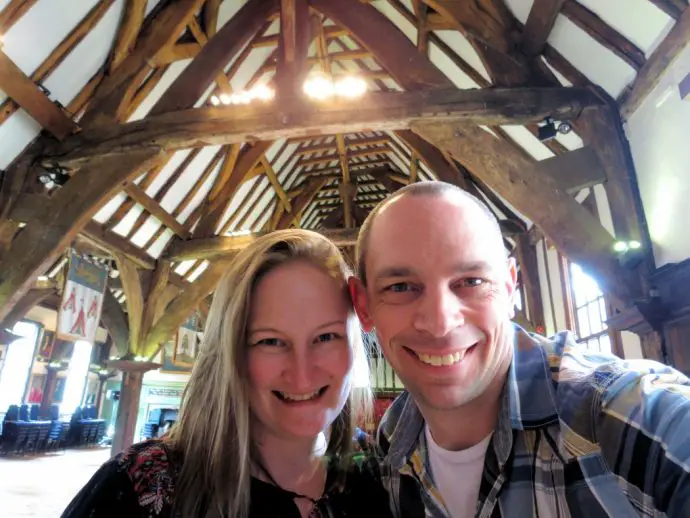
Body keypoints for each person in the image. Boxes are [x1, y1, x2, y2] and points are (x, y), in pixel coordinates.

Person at [350, 181, 690, 517]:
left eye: (471, 281)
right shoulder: (394, 438)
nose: (441, 323)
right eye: (400, 287)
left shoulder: (615, 415)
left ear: (510, 287)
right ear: (363, 306)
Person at [62, 229, 392, 518]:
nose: (302, 374)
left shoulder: (378, 483)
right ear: (230, 351)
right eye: (271, 341)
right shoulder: (137, 487)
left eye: (325, 337)